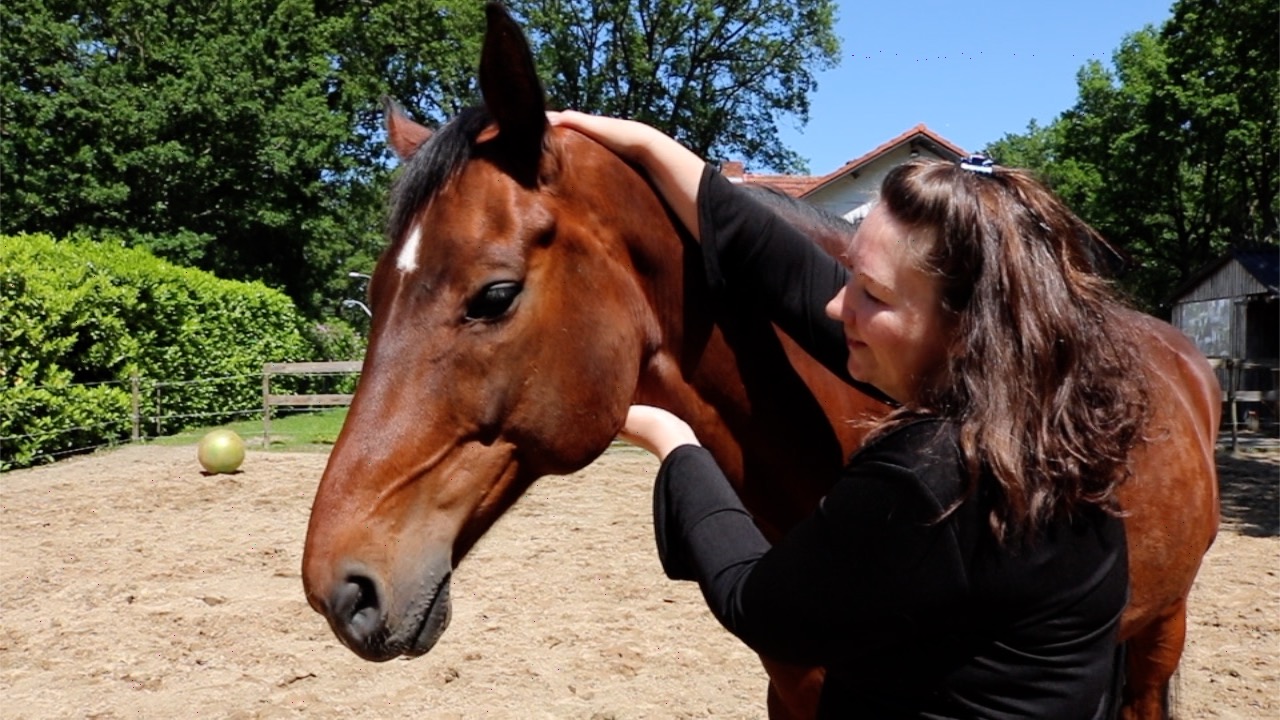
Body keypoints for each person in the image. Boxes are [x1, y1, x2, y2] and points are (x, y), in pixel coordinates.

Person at [549, 111, 1148, 719]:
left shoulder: (930, 476)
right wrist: (648, 145)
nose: (838, 305)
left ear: (966, 327)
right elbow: (782, 268)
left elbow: (758, 605)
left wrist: (675, 443)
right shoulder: (1051, 412)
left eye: (872, 293)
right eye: (851, 275)